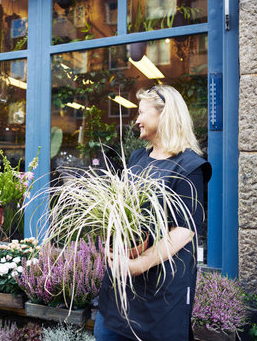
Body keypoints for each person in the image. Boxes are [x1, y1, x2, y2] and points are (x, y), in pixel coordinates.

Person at [94, 85, 212, 341]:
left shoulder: (190, 165)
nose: (136, 120)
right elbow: (120, 211)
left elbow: (185, 229)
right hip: (121, 287)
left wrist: (139, 264)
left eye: (141, 113)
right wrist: (111, 245)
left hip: (162, 293)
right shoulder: (138, 158)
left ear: (164, 115)